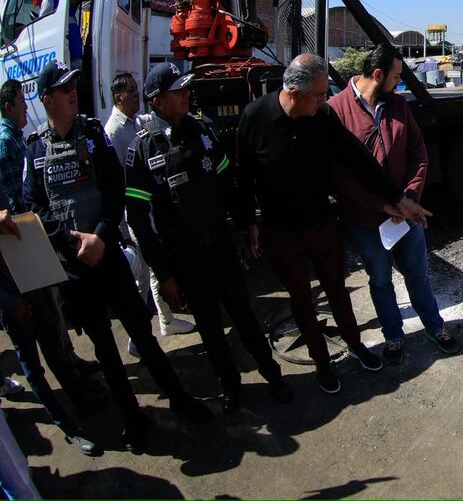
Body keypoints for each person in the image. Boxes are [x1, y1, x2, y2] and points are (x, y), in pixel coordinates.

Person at [24, 61, 211, 452]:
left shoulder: (93, 134)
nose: (74, 91)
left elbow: (115, 189)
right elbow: (32, 205)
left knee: (142, 334)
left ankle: (179, 398)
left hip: (107, 257)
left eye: (75, 84)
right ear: (47, 100)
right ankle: (133, 419)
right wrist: (71, 243)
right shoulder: (35, 148)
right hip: (74, 269)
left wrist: (101, 237)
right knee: (106, 352)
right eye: (64, 88)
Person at [125, 64, 292, 415]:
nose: (187, 94)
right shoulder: (142, 151)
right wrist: (165, 274)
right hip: (185, 260)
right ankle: (231, 388)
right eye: (178, 91)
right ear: (157, 102)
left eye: (187, 88)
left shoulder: (203, 131)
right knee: (212, 331)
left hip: (222, 248)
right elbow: (139, 222)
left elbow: (230, 184)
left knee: (245, 318)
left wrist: (248, 226)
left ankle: (273, 375)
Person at [235, 54, 400, 394]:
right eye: (319, 94)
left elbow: (357, 158)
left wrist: (394, 197)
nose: (326, 101)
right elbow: (242, 176)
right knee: (301, 299)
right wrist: (246, 221)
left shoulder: (322, 117)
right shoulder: (255, 118)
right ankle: (322, 363)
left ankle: (355, 346)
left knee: (338, 291)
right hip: (282, 232)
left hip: (322, 224)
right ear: (294, 94)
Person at [328, 43, 460, 364]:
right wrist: (385, 207)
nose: (399, 83)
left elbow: (418, 153)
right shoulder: (336, 110)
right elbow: (341, 178)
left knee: (418, 274)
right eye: (396, 76)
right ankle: (394, 336)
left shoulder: (398, 105)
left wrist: (410, 198)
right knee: (381, 281)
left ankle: (434, 326)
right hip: (367, 220)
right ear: (377, 74)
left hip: (406, 215)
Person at [0, 79, 98, 456]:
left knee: (54, 338)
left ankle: (80, 398)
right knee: (31, 361)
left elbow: (20, 207)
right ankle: (66, 424)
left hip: (26, 261)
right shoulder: (7, 143)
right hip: (9, 284)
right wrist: (8, 301)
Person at [103, 71, 194, 348]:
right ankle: (146, 332)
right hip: (135, 215)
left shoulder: (135, 122)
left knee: (149, 271)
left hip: (147, 210)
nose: (135, 95)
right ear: (118, 96)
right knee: (149, 272)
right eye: (130, 91)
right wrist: (124, 227)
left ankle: (156, 326)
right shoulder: (115, 132)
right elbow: (119, 183)